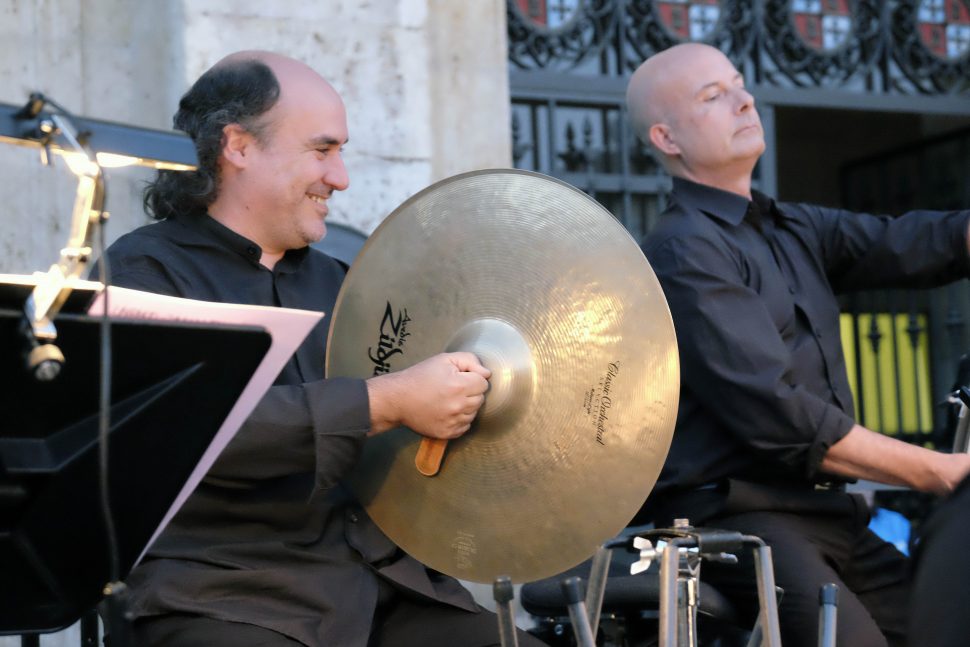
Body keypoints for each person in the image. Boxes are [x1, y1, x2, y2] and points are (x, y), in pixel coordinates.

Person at [102, 51, 546, 647]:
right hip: (224, 596)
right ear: (237, 146)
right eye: (322, 150)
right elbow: (183, 429)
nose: (340, 177)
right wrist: (383, 401)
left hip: (382, 584)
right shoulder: (142, 272)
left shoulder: (344, 283)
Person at [626, 42, 970, 647]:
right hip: (740, 520)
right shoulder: (683, 251)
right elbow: (781, 417)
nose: (744, 100)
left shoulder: (792, 225)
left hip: (828, 514)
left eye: (739, 83)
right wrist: (942, 472)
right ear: (667, 138)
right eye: (714, 96)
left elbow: (908, 243)